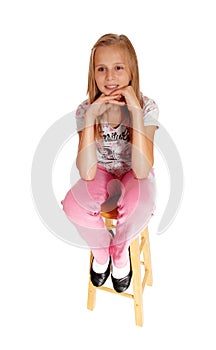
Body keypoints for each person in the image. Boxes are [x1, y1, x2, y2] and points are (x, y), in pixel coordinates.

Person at [62, 33, 159, 293]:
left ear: (131, 71)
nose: (110, 77)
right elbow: (87, 171)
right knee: (73, 205)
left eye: (118, 68)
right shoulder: (85, 109)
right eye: (101, 69)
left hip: (133, 175)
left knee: (140, 203)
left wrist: (135, 112)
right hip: (102, 172)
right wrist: (91, 117)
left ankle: (120, 253)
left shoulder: (147, 107)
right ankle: (102, 253)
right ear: (93, 74)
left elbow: (141, 169)